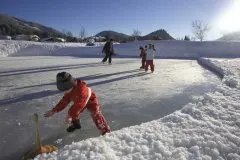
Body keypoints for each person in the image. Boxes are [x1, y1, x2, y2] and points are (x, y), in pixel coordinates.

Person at [44, 72, 111, 135]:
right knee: (74, 112)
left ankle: (105, 130)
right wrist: (54, 110)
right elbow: (64, 101)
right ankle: (76, 124)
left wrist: (70, 115)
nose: (65, 92)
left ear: (71, 85)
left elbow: (78, 107)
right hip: (79, 101)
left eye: (66, 90)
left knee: (95, 113)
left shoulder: (81, 91)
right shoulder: (69, 90)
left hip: (90, 100)